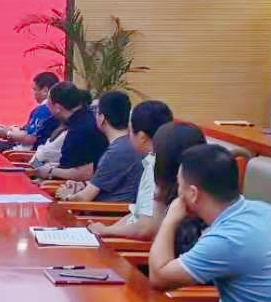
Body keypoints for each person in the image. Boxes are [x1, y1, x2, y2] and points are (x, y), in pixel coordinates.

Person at [147, 143, 271, 302]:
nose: (178, 193)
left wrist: (170, 219)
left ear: (193, 194)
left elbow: (159, 277)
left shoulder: (228, 238)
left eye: (180, 185)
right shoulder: (263, 210)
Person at [88, 100, 175, 239]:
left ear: (142, 137)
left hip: (132, 245)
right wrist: (107, 229)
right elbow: (137, 214)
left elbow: (146, 227)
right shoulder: (156, 161)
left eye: (130, 131)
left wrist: (106, 231)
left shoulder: (156, 168)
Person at [57, 90, 144, 203]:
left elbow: (83, 198)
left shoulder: (116, 152)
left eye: (96, 112)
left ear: (102, 118)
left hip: (104, 211)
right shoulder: (129, 144)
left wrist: (66, 195)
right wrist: (83, 185)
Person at [31, 83, 106, 182]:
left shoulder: (78, 132)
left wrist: (50, 171)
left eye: (48, 103)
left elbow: (78, 172)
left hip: (66, 184)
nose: (47, 107)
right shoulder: (86, 117)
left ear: (58, 107)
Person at [0, 72, 60, 150]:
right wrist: (12, 131)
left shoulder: (44, 110)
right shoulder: (52, 109)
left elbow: (30, 139)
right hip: (34, 149)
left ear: (45, 91)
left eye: (35, 89)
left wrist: (7, 133)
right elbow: (29, 132)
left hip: (27, 152)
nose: (33, 93)